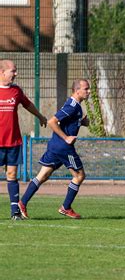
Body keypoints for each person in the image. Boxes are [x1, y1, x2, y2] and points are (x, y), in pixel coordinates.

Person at [18, 79, 91, 219]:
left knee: (43, 176)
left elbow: (66, 122)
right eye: (86, 89)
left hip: (55, 146)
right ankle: (66, 207)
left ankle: (22, 202)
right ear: (77, 90)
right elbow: (52, 121)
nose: (89, 92)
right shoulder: (72, 105)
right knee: (79, 176)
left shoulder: (77, 107)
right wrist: (66, 138)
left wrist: (81, 123)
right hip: (64, 148)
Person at [0, 59, 47, 220]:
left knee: (12, 174)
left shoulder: (16, 91)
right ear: (2, 72)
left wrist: (40, 116)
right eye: (13, 70)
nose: (16, 73)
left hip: (13, 142)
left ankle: (15, 212)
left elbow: (28, 104)